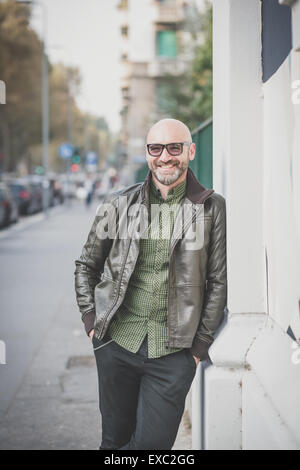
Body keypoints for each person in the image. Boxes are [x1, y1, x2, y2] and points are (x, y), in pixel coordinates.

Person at [74, 118, 227, 450]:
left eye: (174, 147)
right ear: (147, 153)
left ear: (191, 150)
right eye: (156, 148)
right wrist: (91, 323)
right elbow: (87, 265)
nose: (165, 157)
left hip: (174, 354)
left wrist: (198, 349)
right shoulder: (117, 205)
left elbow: (217, 281)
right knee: (113, 443)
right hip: (116, 345)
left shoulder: (211, 207)